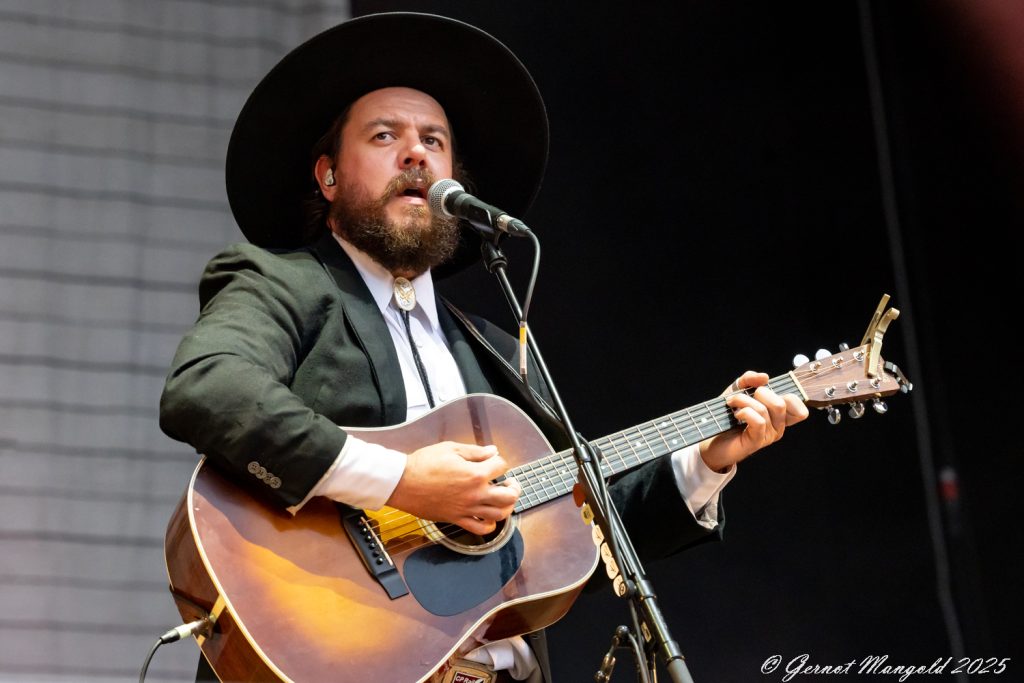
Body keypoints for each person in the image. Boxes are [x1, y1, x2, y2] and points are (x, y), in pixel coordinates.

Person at [159, 12, 808, 682]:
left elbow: (571, 537)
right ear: (327, 176)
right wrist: (402, 482)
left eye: (433, 141)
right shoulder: (280, 283)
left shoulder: (494, 349)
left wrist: (705, 458)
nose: (415, 154)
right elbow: (209, 389)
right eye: (385, 136)